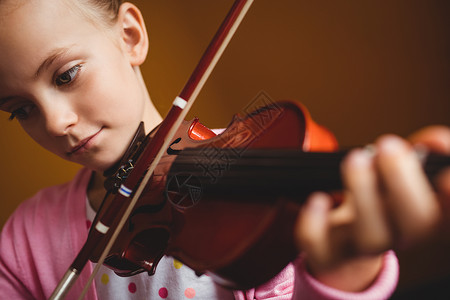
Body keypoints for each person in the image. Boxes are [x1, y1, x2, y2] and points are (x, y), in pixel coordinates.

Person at [0, 0, 447, 299]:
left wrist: (341, 274)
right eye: (21, 110)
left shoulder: (248, 201)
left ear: (131, 37)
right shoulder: (24, 241)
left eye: (66, 75)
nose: (56, 123)